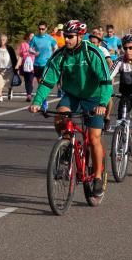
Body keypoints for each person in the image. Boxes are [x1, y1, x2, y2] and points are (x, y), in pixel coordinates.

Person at [30, 20, 113, 196]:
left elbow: (106, 82)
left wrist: (102, 104)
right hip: (72, 95)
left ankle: (98, 176)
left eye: (70, 37)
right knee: (60, 117)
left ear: (80, 36)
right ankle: (67, 146)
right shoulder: (60, 55)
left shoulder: (92, 52)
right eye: (64, 36)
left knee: (94, 137)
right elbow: (48, 80)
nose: (66, 40)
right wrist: (37, 101)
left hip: (94, 96)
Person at [29, 22, 59, 98]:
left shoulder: (50, 38)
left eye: (43, 29)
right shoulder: (35, 38)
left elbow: (56, 47)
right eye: (39, 29)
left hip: (46, 63)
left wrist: (53, 56)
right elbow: (29, 49)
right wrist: (34, 52)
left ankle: (43, 100)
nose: (41, 30)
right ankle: (43, 99)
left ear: (46, 29)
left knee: (43, 82)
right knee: (40, 83)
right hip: (37, 64)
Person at [0, 34, 18, 102]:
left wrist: (16, 67)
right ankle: (0, 96)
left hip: (9, 69)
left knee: (9, 84)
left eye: (3, 40)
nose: (2, 41)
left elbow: (14, 59)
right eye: (1, 40)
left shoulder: (10, 48)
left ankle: (10, 90)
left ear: (6, 41)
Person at [18, 31, 35, 102]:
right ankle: (28, 94)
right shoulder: (23, 44)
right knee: (27, 80)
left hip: (33, 64)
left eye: (33, 36)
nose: (32, 38)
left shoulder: (35, 45)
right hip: (25, 64)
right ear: (27, 37)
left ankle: (29, 94)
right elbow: (21, 54)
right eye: (31, 36)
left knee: (31, 79)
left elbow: (37, 53)